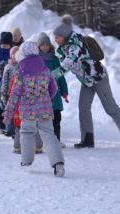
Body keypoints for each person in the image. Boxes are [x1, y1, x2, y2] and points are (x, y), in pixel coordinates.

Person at [53, 15, 120, 148]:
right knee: (83, 108)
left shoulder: (76, 46)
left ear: (64, 36)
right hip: (87, 82)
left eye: (57, 37)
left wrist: (51, 76)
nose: (55, 40)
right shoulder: (64, 47)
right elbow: (62, 63)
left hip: (99, 79)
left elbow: (67, 64)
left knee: (111, 108)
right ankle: (87, 139)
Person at [3, 41, 65, 177]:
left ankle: (26, 161)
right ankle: (58, 163)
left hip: (28, 112)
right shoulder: (45, 70)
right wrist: (45, 98)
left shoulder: (21, 73)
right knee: (49, 135)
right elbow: (54, 89)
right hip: (45, 110)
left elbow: (15, 95)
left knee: (26, 133)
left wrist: (9, 112)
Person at [1, 46, 43, 154]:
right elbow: (7, 85)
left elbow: (13, 89)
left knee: (23, 126)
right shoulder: (13, 68)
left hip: (23, 104)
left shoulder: (20, 72)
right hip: (27, 104)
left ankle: (32, 146)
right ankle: (22, 146)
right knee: (24, 126)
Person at [37, 32, 68, 146]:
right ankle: (43, 141)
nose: (45, 47)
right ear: (38, 46)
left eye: (47, 44)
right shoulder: (36, 60)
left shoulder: (55, 59)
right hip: (41, 95)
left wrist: (64, 91)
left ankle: (56, 141)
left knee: (56, 119)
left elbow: (60, 76)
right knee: (44, 120)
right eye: (42, 45)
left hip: (55, 94)